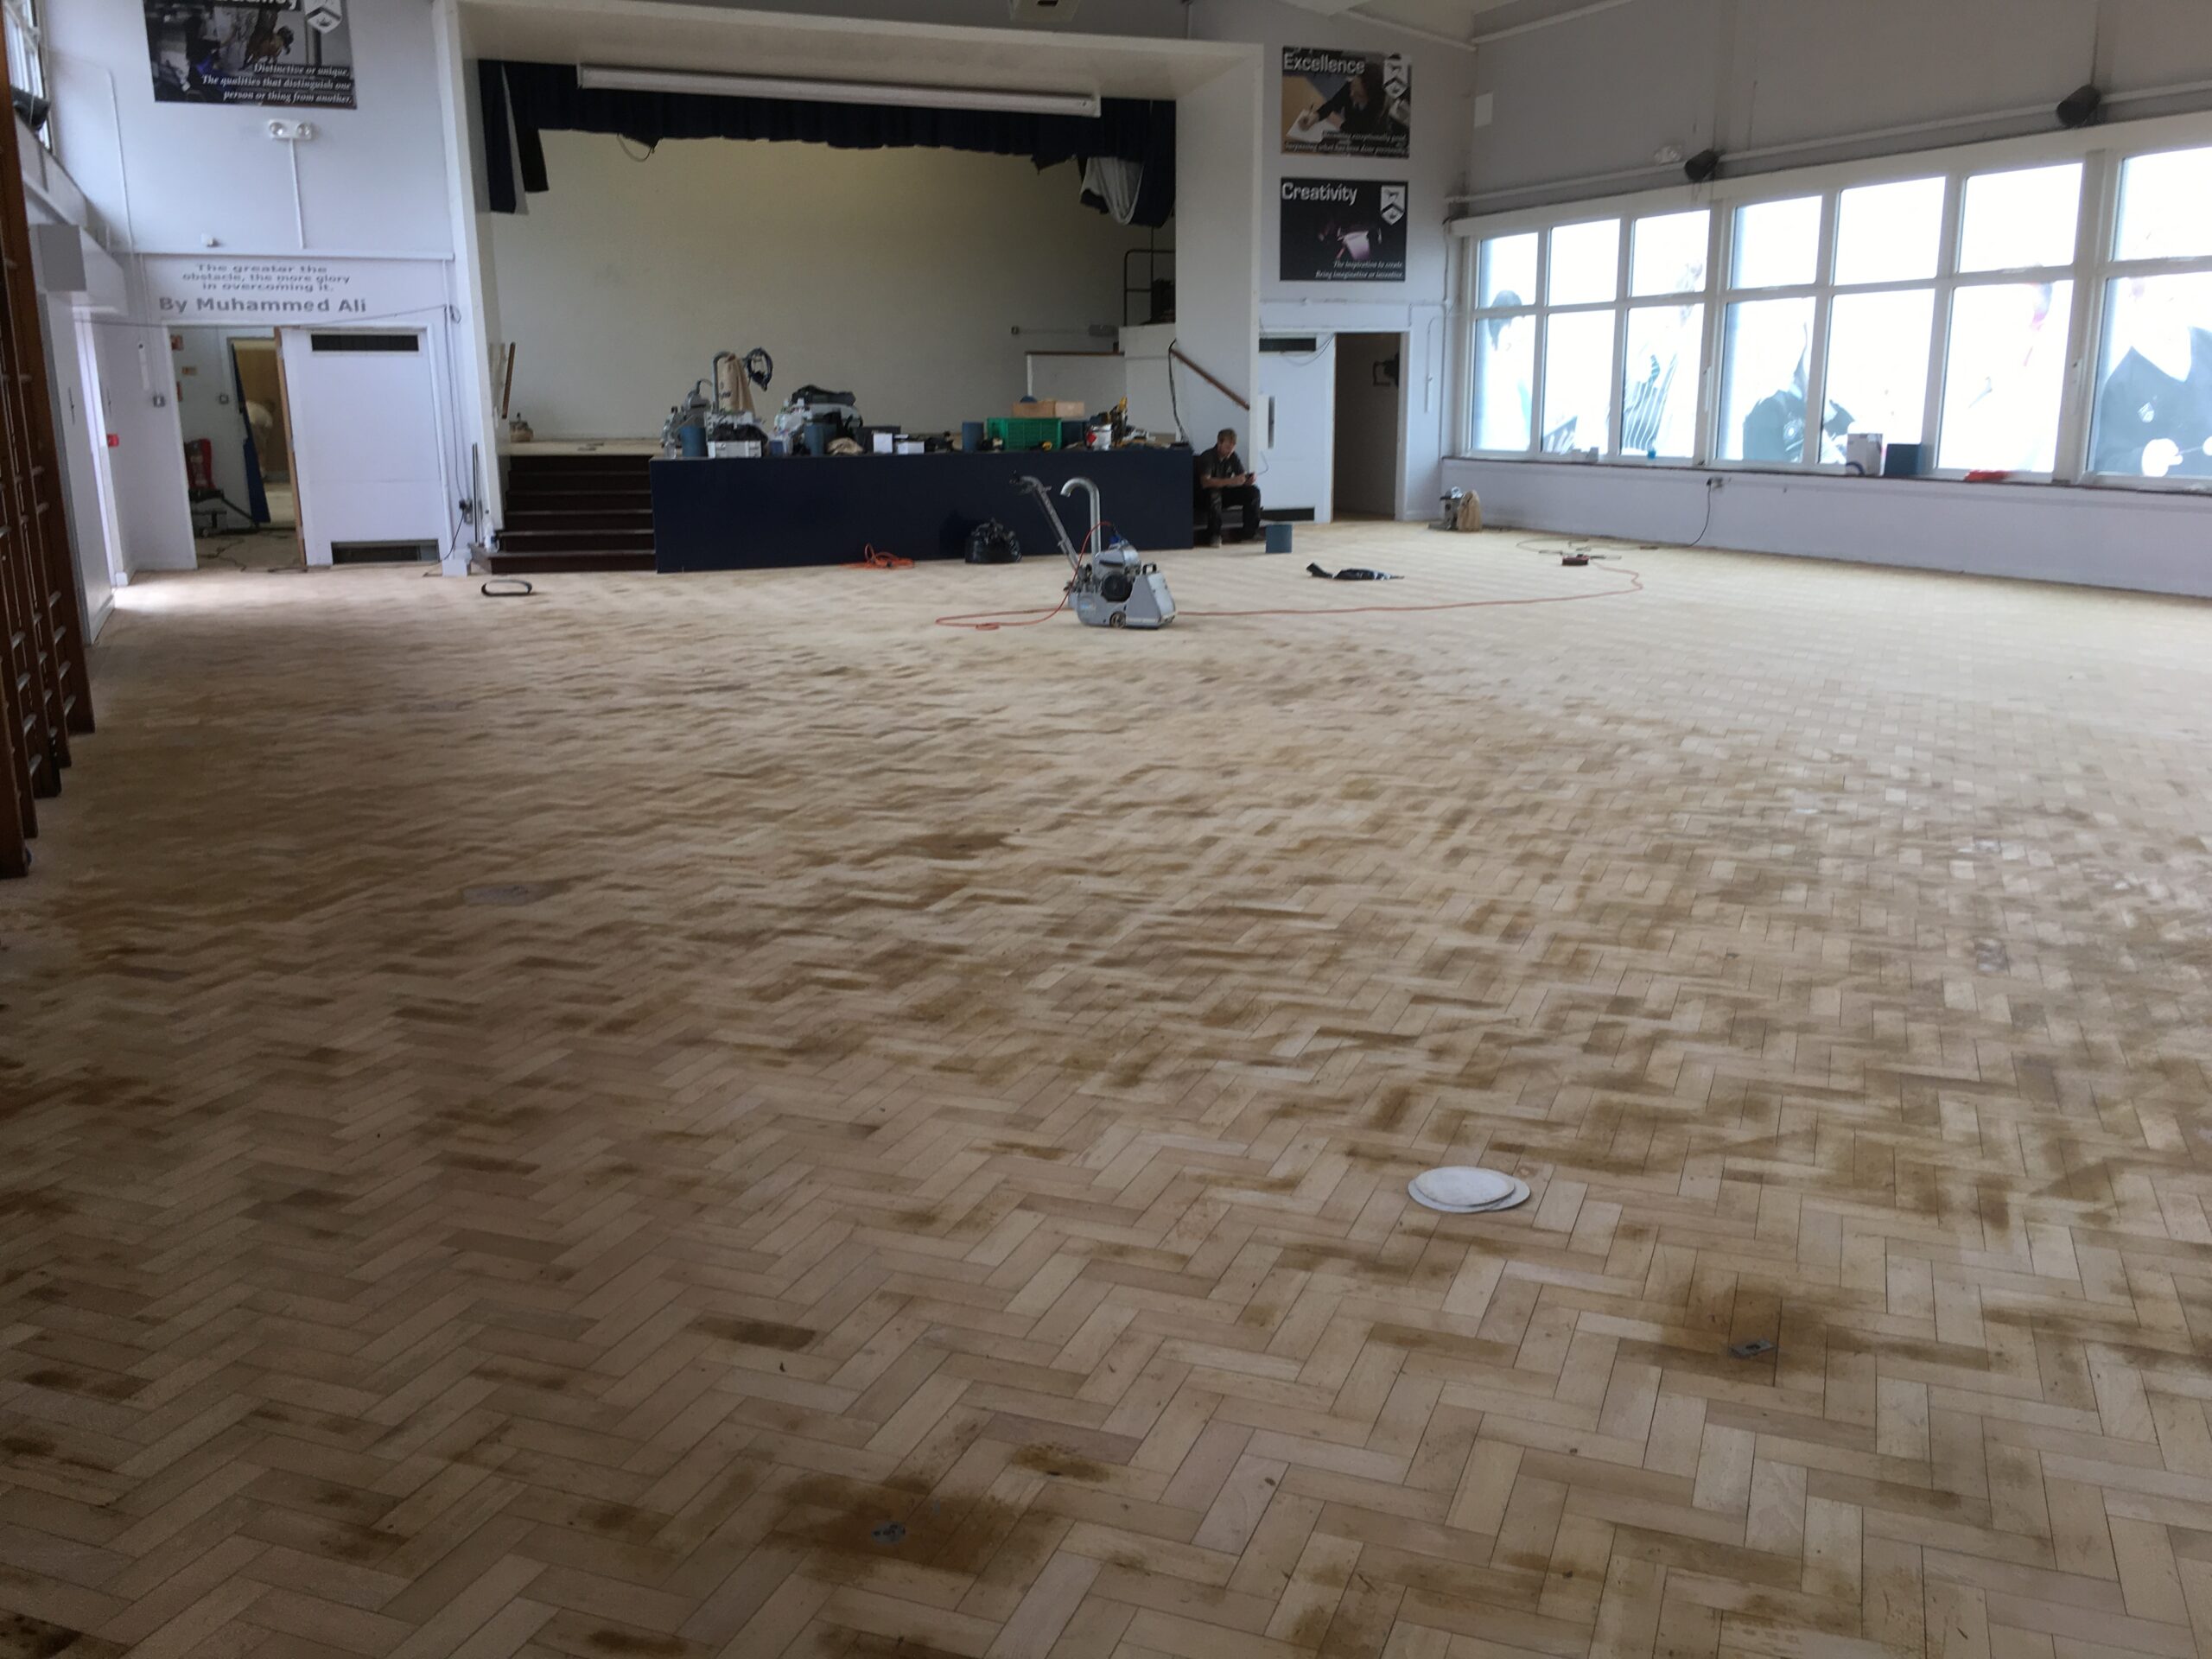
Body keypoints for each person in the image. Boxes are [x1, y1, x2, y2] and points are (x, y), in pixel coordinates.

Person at [1196, 429, 1261, 545]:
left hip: (1224, 492)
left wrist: (1247, 480)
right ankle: (1214, 535)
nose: (1229, 451)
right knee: (1214, 494)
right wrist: (1232, 481)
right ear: (1219, 443)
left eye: (1232, 447)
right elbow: (1205, 482)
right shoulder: (1208, 457)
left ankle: (1249, 533)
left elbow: (1241, 476)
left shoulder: (1232, 457)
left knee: (1253, 492)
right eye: (1227, 447)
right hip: (1205, 495)